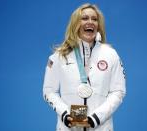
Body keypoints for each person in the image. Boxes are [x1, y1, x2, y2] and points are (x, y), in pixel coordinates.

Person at [43, 3, 126, 131]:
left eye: (94, 19)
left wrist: (97, 117)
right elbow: (49, 91)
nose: (90, 22)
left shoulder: (111, 54)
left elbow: (118, 91)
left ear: (99, 25)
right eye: (85, 18)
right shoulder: (59, 56)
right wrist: (65, 113)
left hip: (101, 127)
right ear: (76, 23)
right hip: (68, 127)